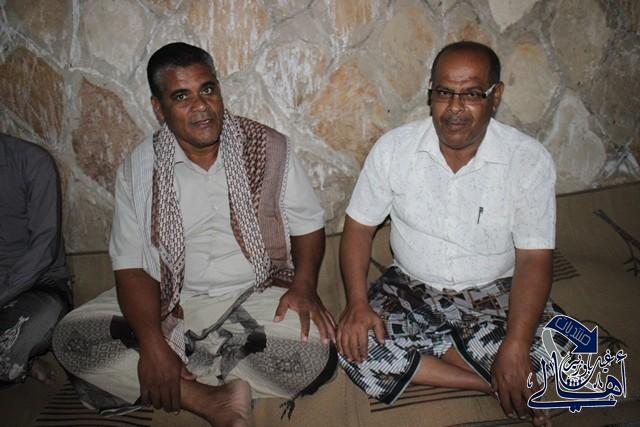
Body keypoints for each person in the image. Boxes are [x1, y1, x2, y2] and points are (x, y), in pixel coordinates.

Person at [53, 42, 336, 427]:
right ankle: (210, 395)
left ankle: (172, 377)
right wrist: (152, 344)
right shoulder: (138, 171)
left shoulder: (269, 147)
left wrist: (303, 286)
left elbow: (307, 223)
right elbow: (132, 265)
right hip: (173, 302)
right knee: (71, 339)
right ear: (159, 108)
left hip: (255, 298)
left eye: (207, 89)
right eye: (182, 96)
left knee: (317, 350)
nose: (201, 106)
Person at [336, 41, 571, 427]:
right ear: (431, 93)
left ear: (496, 96)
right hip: (409, 291)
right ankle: (488, 382)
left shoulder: (527, 160)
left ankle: (461, 354)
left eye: (472, 94)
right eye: (444, 92)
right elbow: (359, 229)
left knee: (567, 363)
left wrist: (515, 344)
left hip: (495, 295)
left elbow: (533, 258)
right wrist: (358, 305)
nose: (455, 107)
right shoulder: (394, 149)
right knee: (352, 346)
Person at [0, 133, 72, 385]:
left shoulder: (32, 161)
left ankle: (17, 358)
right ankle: (21, 361)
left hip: (39, 285)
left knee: (43, 317)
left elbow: (44, 249)